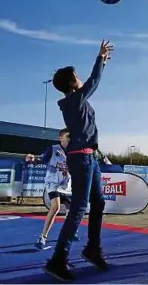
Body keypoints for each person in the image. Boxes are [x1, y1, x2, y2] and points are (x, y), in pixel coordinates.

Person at [44, 40, 113, 281]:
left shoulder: (78, 103)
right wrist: (100, 59)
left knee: (98, 202)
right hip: (81, 159)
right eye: (77, 76)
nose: (81, 78)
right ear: (73, 84)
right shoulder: (73, 100)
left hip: (90, 157)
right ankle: (57, 260)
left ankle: (92, 248)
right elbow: (94, 81)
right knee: (79, 208)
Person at [25, 128, 80, 250]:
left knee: (72, 209)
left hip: (66, 185)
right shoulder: (53, 149)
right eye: (67, 137)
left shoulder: (73, 152)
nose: (69, 140)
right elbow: (41, 159)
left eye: (71, 138)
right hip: (52, 182)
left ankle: (71, 231)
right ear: (60, 138)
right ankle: (42, 237)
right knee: (56, 207)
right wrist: (32, 159)